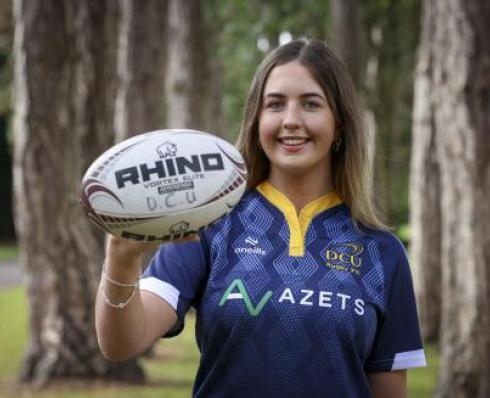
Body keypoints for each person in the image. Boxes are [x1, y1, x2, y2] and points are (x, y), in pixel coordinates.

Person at [95, 39, 426, 398]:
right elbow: (122, 343)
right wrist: (121, 258)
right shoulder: (209, 226)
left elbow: (389, 392)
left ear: (340, 124)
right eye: (275, 104)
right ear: (256, 119)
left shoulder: (382, 252)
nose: (291, 121)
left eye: (311, 104)